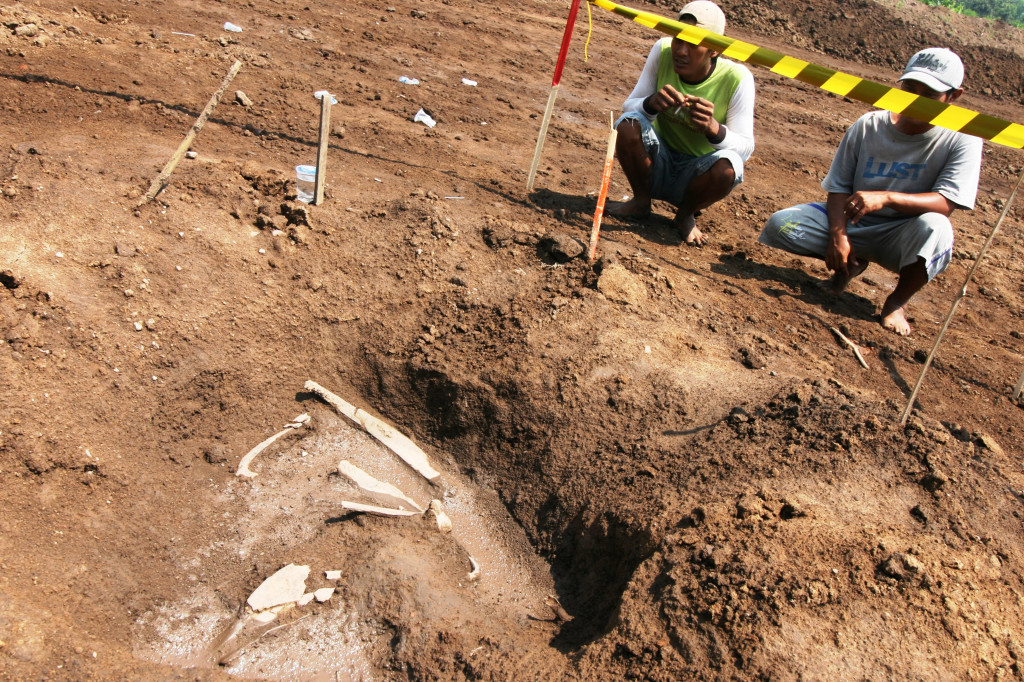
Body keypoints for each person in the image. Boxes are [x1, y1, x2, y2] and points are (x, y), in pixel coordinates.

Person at [759, 48, 983, 336]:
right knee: (783, 225)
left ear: (954, 97)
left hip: (903, 234)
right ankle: (849, 265)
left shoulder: (962, 138)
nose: (915, 101)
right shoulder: (868, 126)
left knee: (937, 229)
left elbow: (945, 202)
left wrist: (886, 198)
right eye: (909, 89)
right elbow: (839, 187)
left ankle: (897, 301)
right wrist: (837, 236)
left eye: (927, 95)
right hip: (855, 222)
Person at [608, 0, 755, 246]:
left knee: (730, 168)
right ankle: (641, 201)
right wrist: (651, 103)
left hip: (697, 173)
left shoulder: (738, 78)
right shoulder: (662, 50)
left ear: (714, 50)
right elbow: (629, 106)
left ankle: (685, 215)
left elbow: (745, 149)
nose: (680, 51)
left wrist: (714, 129)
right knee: (627, 124)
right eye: (678, 38)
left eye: (693, 43)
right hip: (658, 159)